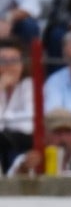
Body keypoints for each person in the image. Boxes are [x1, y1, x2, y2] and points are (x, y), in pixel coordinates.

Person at [7, 108, 71, 176]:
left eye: (68, 132)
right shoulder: (27, 161)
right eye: (57, 132)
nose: (63, 138)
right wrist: (23, 170)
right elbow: (8, 190)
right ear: (44, 136)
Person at [0, 35, 34, 168]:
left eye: (14, 61)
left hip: (22, 141)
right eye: (3, 61)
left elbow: (29, 124)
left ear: (23, 64)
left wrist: (5, 119)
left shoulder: (29, 85)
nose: (9, 67)